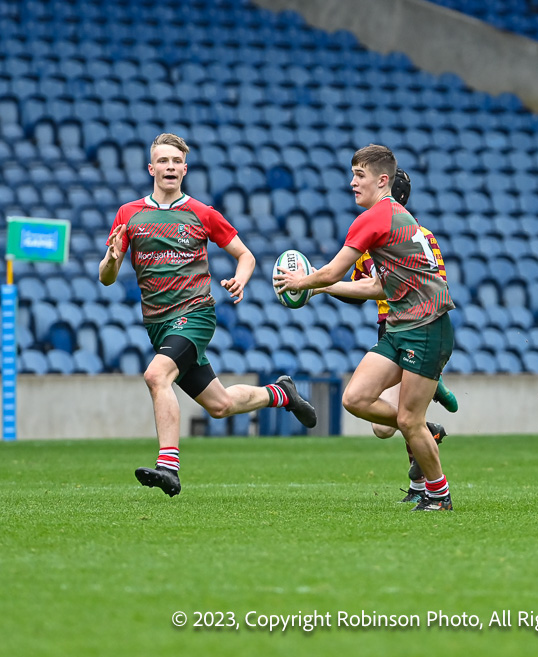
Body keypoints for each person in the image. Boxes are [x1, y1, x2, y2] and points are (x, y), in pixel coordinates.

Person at [99, 132, 317, 498]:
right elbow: (107, 278)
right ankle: (282, 393)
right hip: (158, 325)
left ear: (185, 169)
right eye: (163, 161)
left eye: (176, 161)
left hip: (195, 314)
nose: (170, 167)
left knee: (156, 375)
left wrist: (240, 279)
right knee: (221, 405)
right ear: (151, 168)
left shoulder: (202, 213)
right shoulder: (129, 214)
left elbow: (245, 255)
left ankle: (168, 467)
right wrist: (111, 258)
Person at [275, 145, 456, 511]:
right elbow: (377, 287)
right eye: (353, 175)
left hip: (426, 327)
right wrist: (320, 287)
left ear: (383, 180)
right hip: (401, 327)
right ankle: (423, 431)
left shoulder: (374, 218)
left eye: (360, 176)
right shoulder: (398, 216)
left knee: (407, 419)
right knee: (355, 399)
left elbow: (332, 271)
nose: (352, 183)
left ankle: (439, 495)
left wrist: (302, 282)